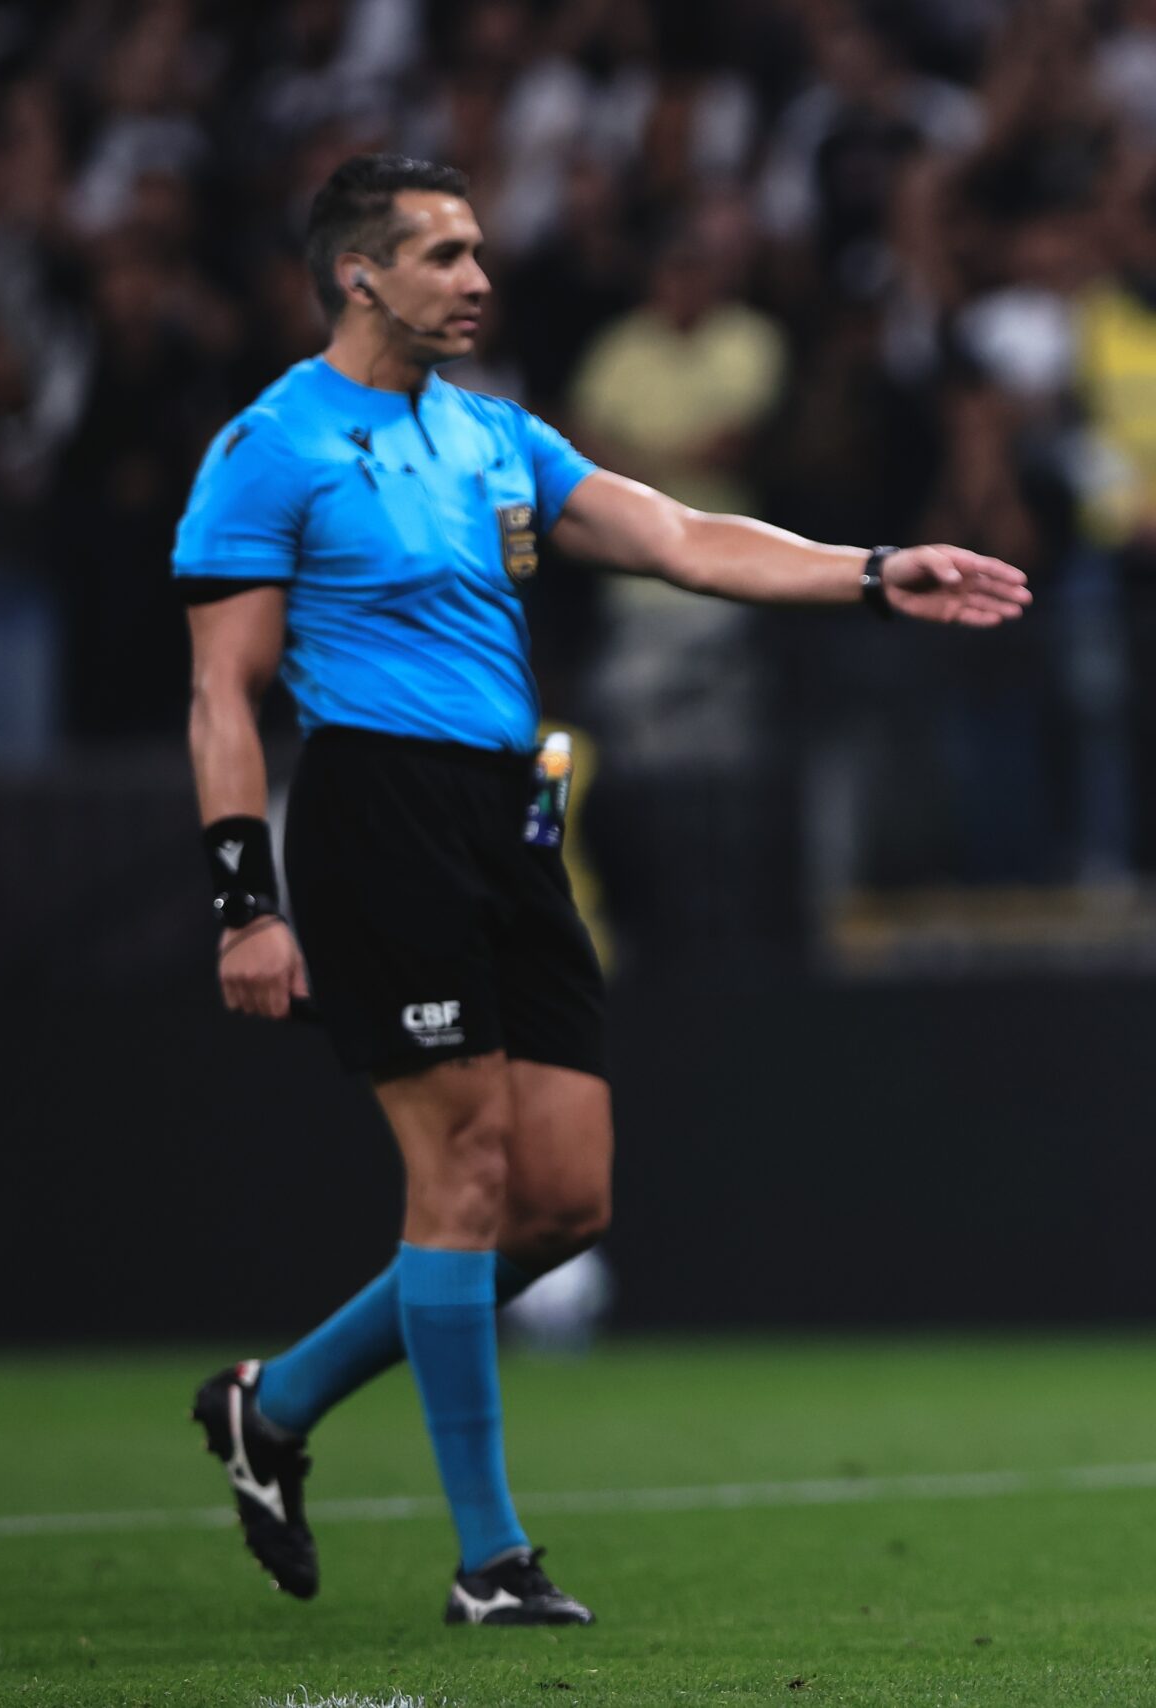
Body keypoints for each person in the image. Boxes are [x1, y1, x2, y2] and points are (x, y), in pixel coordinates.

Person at [175, 155, 1028, 1626]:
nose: (479, 278)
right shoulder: (271, 446)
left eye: (479, 252)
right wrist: (244, 904)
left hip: (511, 824)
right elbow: (221, 695)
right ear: (359, 274)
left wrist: (879, 571)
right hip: (379, 815)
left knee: (563, 1204)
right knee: (464, 1181)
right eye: (444, 254)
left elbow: (687, 539)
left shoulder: (498, 436)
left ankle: (279, 1400)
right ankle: (492, 1560)